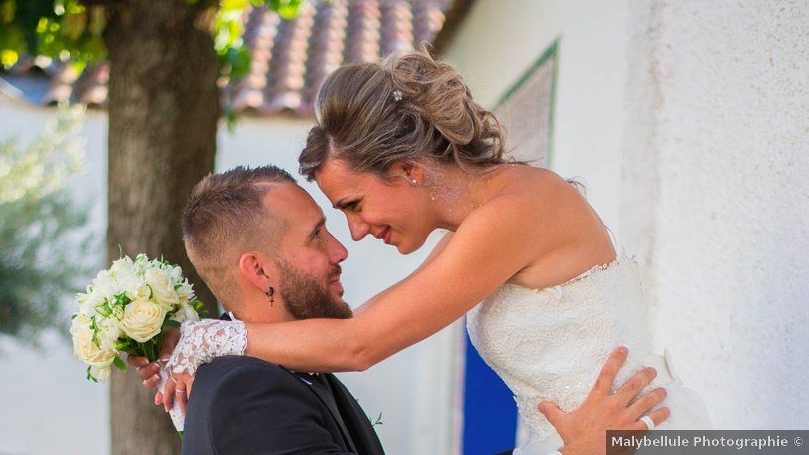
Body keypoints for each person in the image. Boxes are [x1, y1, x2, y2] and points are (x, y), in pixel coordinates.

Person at [167, 47, 711, 454]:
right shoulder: (475, 228)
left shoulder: (517, 211)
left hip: (632, 435)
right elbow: (360, 328)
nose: (354, 234)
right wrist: (202, 348)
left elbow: (360, 344)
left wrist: (211, 337)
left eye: (355, 204)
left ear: (408, 169)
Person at [134, 165, 673, 455]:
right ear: (259, 271)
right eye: (318, 234)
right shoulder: (246, 393)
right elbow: (361, 343)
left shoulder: (267, 374)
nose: (344, 247)